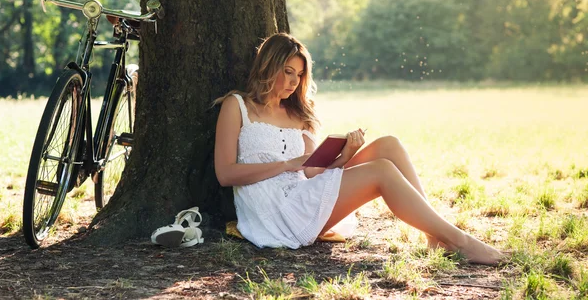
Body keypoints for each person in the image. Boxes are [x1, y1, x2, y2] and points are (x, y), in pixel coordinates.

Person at [214, 33, 503, 265]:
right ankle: (460, 242)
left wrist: (347, 154)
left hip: (304, 192)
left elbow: (314, 170)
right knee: (381, 172)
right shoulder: (237, 105)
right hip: (275, 213)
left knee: (389, 145)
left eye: (299, 75)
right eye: (287, 71)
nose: (293, 81)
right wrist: (287, 164)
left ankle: (434, 235)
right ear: (268, 66)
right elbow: (225, 174)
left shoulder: (298, 114)